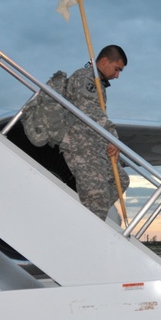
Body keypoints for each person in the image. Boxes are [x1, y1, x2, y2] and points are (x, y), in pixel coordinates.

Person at [60, 44, 130, 221]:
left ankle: (87, 216)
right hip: (79, 147)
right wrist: (113, 137)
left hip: (95, 147)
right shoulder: (85, 79)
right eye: (116, 69)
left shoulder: (99, 85)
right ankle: (90, 222)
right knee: (97, 194)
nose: (117, 75)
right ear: (105, 61)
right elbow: (90, 111)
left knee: (121, 180)